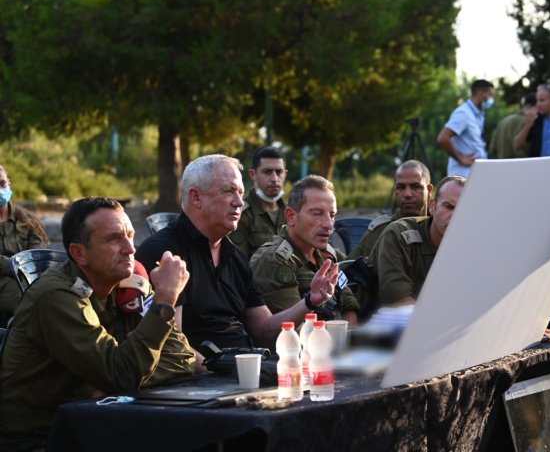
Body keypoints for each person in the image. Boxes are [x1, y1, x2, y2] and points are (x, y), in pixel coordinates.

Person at [0, 197, 194, 441]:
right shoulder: (55, 297)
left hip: (96, 423)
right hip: (40, 438)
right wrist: (164, 300)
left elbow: (182, 359)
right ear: (79, 253)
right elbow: (122, 374)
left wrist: (107, 386)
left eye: (130, 235)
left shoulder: (126, 285)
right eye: (114, 238)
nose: (130, 249)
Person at [135, 155, 337, 351]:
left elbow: (263, 330)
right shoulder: (164, 254)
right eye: (229, 191)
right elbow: (171, 344)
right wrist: (221, 366)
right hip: (197, 380)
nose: (239, 202)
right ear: (196, 197)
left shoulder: (235, 257)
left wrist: (310, 302)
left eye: (240, 193)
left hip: (242, 367)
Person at [250, 175, 359, 326]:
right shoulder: (275, 259)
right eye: (317, 213)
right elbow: (292, 328)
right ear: (291, 217)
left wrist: (349, 340)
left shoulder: (327, 253)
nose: (328, 224)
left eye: (332, 215)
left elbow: (348, 306)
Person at [370, 175, 466, 307]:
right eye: (448, 207)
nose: (455, 215)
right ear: (432, 206)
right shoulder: (399, 235)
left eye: (464, 209)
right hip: (380, 321)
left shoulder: (472, 245)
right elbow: (397, 300)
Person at [347, 160, 434, 260]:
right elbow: (349, 269)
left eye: (415, 187)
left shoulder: (439, 227)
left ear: (429, 190)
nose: (407, 194)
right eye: (401, 187)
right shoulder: (380, 231)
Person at [0, 165, 49, 321]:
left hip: (27, 278)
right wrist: (17, 266)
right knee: (27, 300)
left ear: (9, 184)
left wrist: (23, 268)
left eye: (2, 184)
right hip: (6, 283)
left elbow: (38, 255)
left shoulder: (27, 220)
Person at [228, 146, 288, 259]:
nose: (274, 178)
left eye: (279, 172)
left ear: (285, 174)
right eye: (267, 172)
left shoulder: (292, 215)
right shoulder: (239, 214)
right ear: (252, 174)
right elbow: (238, 264)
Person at [437, 79, 494, 177]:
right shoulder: (463, 113)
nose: (491, 99)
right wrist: (460, 158)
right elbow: (443, 138)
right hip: (462, 176)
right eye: (490, 95)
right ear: (481, 94)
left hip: (474, 174)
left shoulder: (478, 115)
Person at [488, 93, 537, 159]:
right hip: (522, 165)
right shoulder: (530, 122)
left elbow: (492, 149)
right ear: (535, 107)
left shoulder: (503, 121)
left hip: (502, 165)